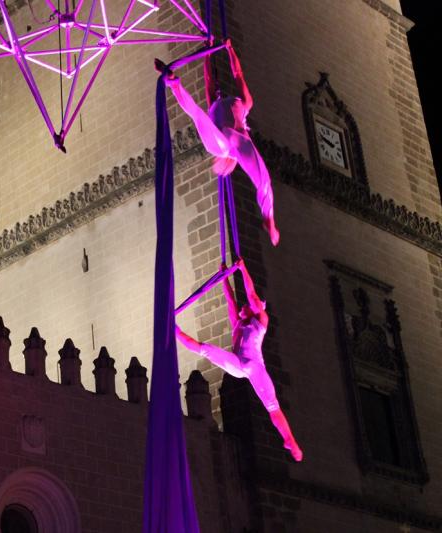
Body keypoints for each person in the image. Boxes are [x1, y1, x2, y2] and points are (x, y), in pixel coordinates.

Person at [175, 259, 302, 461]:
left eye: (250, 305)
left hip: (254, 368)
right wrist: (225, 277)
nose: (246, 305)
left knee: (272, 405)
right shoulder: (237, 323)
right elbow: (231, 299)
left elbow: (251, 295)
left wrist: (243, 269)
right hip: (238, 367)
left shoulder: (261, 320)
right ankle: (173, 330)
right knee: (205, 349)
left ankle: (290, 440)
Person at [158, 39, 280, 246]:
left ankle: (269, 219)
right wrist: (208, 53)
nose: (220, 89)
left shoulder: (244, 104)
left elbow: (238, 75)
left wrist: (230, 50)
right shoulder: (214, 102)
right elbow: (208, 79)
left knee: (264, 179)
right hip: (221, 142)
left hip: (236, 143)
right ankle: (173, 81)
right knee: (198, 115)